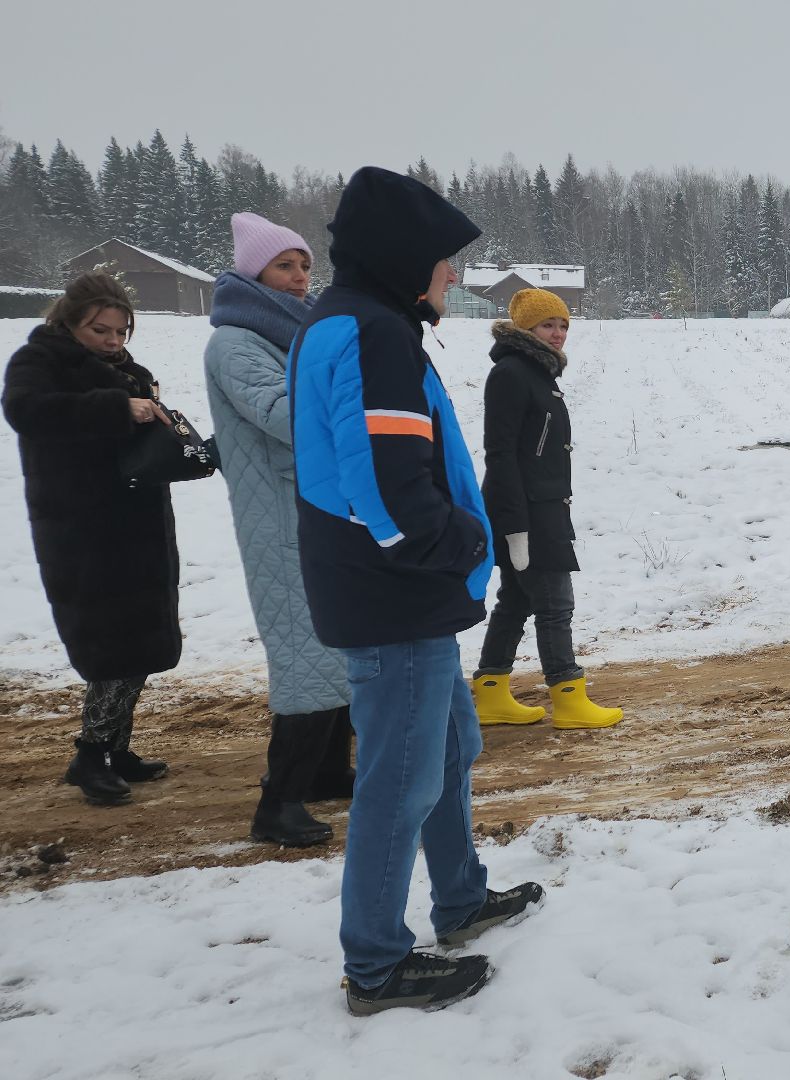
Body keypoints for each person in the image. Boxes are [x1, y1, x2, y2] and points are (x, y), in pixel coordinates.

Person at [289, 166, 541, 1014]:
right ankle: (377, 964)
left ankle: (461, 897)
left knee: (445, 752)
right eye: (444, 261)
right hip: (392, 594)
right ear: (404, 258)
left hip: (399, 592)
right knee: (401, 780)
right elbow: (389, 489)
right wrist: (461, 540)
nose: (453, 277)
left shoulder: (361, 323)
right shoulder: (369, 333)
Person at [205, 213, 356, 847]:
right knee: (305, 654)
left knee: (336, 644)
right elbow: (278, 413)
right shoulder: (236, 341)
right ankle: (279, 801)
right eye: (284, 266)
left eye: (303, 265)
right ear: (253, 272)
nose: (299, 278)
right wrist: (350, 394)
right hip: (280, 517)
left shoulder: (293, 331)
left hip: (315, 510)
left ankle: (325, 771)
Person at [3, 273, 179, 807]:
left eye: (122, 331)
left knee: (139, 638)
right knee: (111, 644)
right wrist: (116, 408)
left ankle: (117, 748)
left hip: (136, 522)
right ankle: (90, 754)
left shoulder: (127, 370)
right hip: (83, 527)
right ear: (68, 321)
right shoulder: (39, 362)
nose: (113, 340)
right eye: (100, 329)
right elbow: (25, 411)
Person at [471, 288, 622, 729]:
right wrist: (515, 526)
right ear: (524, 329)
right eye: (547, 325)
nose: (557, 334)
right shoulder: (512, 374)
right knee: (556, 603)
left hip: (542, 507)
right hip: (527, 513)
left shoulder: (537, 373)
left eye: (562, 326)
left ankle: (491, 692)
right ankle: (569, 698)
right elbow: (500, 454)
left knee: (516, 600)